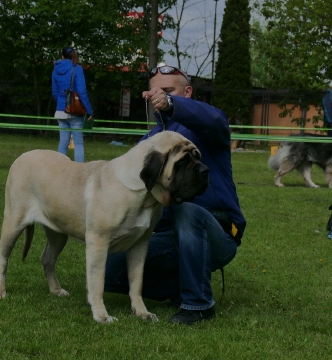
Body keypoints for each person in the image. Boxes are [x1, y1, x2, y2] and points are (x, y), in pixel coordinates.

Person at [104, 63, 246, 325]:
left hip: (220, 233)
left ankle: (198, 305)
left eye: (169, 91)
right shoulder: (151, 142)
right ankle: (180, 290)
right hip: (170, 236)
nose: (159, 98)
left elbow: (212, 118)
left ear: (188, 91)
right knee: (109, 269)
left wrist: (172, 104)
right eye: (155, 93)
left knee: (188, 211)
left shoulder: (208, 127)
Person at [51, 47, 93, 162]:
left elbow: (54, 92)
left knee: (63, 142)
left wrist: (61, 103)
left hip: (60, 110)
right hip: (74, 110)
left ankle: (60, 170)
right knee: (78, 143)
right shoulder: (77, 69)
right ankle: (79, 172)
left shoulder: (55, 70)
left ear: (62, 56)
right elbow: (82, 92)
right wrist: (89, 110)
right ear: (73, 56)